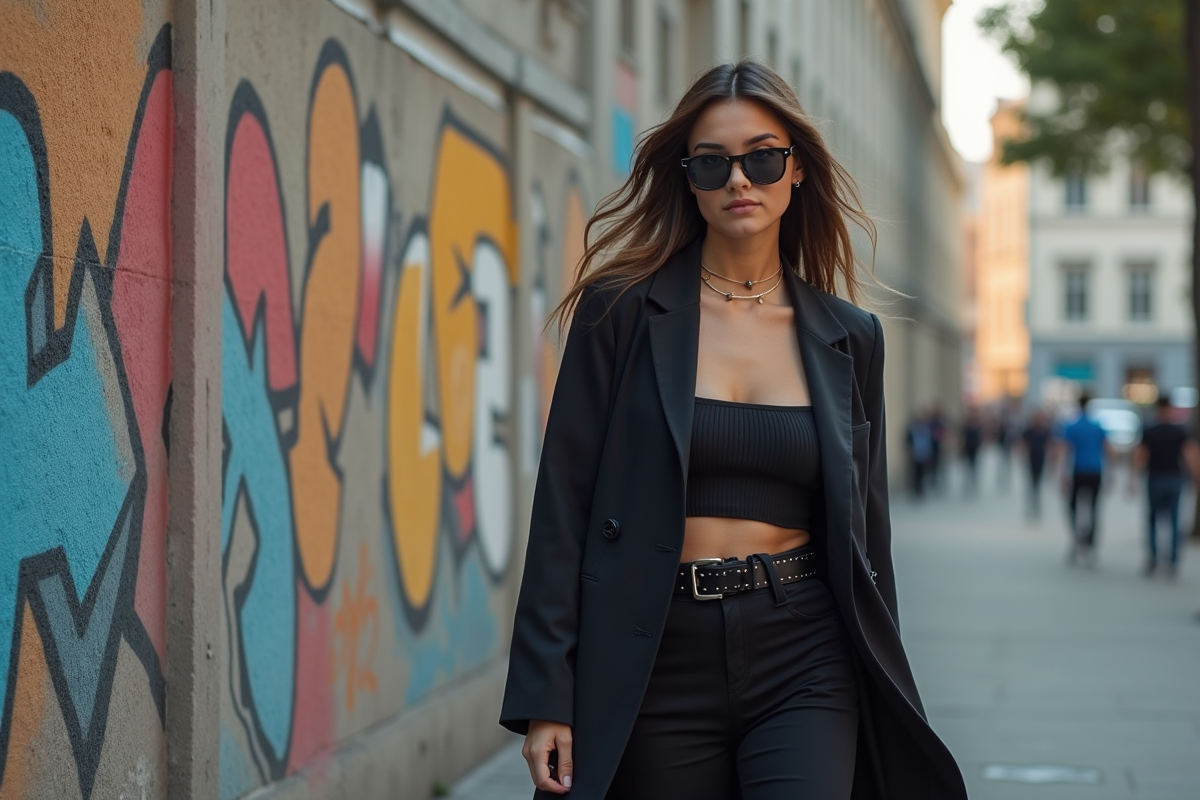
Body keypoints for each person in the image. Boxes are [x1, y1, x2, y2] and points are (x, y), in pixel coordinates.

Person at [500, 60, 966, 800]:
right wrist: (545, 695)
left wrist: (885, 683)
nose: (739, 181)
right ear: (687, 177)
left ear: (798, 169)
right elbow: (564, 505)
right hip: (654, 653)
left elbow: (866, 541)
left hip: (805, 650)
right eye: (713, 163)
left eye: (762, 157)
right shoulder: (619, 314)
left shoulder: (851, 338)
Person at [1128, 395, 1200, 577]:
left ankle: (1153, 559)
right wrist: (1196, 478)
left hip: (1155, 479)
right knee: (1174, 521)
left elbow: (1140, 456)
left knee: (1152, 520)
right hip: (1175, 479)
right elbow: (1191, 455)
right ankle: (1173, 562)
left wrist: (1133, 479)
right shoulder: (1180, 431)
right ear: (1170, 409)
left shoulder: (1150, 431)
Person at [1059, 393, 1111, 566]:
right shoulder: (1098, 426)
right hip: (1095, 471)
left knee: (1073, 507)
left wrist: (1061, 475)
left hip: (1078, 471)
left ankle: (1077, 538)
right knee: (1094, 509)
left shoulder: (1072, 426)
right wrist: (1110, 474)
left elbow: (1065, 451)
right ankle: (1091, 544)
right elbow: (1107, 450)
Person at [1018, 408, 1055, 520]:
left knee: (1037, 485)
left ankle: (1037, 507)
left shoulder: (1045, 431)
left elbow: (1049, 446)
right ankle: (1030, 508)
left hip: (1041, 460)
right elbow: (1024, 445)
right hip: (1031, 460)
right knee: (1031, 485)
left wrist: (1052, 461)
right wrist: (1022, 456)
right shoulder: (1029, 431)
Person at [906, 409, 935, 498]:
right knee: (916, 473)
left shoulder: (926, 429)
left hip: (924, 454)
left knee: (922, 473)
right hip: (916, 454)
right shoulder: (913, 429)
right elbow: (909, 440)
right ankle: (916, 489)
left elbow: (929, 441)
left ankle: (921, 489)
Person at [960, 407, 984, 495]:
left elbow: (980, 439)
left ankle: (973, 483)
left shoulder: (977, 428)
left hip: (975, 449)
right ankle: (967, 484)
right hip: (967, 449)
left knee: (973, 467)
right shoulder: (966, 428)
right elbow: (962, 439)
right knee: (967, 467)